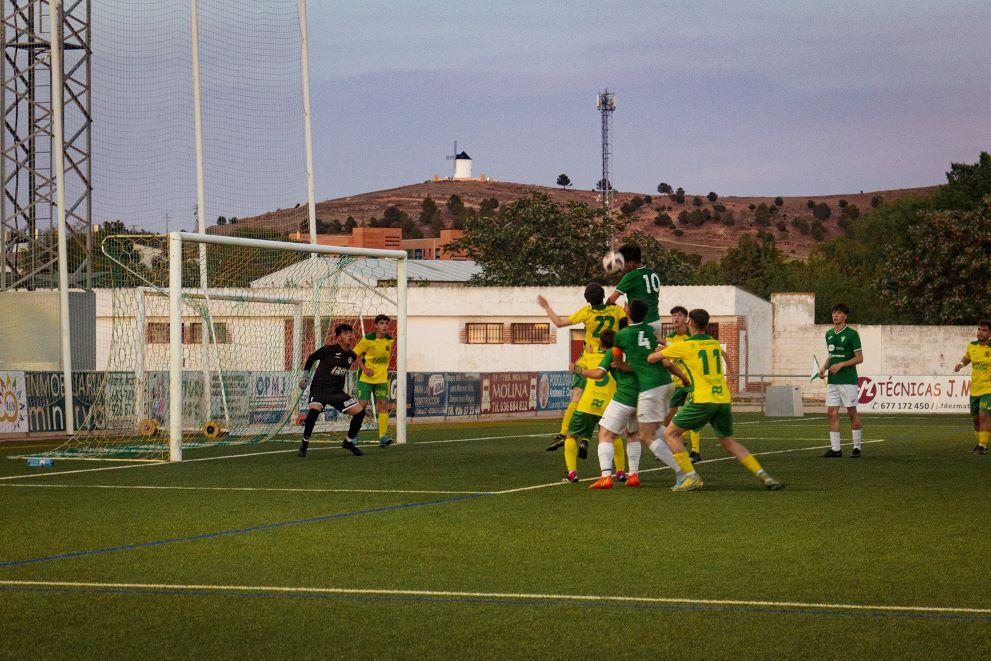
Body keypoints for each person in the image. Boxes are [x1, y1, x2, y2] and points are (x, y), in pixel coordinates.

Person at [652, 308, 782, 491]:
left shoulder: (685, 345)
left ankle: (691, 476)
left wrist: (649, 349)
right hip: (722, 398)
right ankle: (763, 475)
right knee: (728, 441)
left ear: (690, 324)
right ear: (707, 325)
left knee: (670, 433)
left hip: (703, 399)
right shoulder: (713, 343)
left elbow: (653, 358)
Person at [538, 282, 626, 451]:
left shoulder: (586, 312)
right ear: (603, 296)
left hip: (588, 359)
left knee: (578, 396)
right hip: (610, 358)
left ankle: (564, 434)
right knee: (608, 400)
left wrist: (546, 306)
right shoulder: (615, 310)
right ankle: (599, 443)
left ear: (587, 299)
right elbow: (626, 322)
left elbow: (559, 323)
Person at [610, 299, 689, 487]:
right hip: (666, 383)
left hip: (650, 387)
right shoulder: (649, 331)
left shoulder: (621, 335)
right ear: (646, 315)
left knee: (645, 436)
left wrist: (622, 365)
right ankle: (679, 449)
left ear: (627, 312)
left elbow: (618, 361)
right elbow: (662, 357)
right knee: (656, 428)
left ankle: (683, 472)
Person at [560, 330, 623, 483]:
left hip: (587, 404)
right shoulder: (619, 357)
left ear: (600, 343)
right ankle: (621, 472)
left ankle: (572, 473)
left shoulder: (589, 356)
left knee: (571, 435)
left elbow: (574, 367)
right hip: (609, 405)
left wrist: (582, 358)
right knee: (614, 437)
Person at [297, 323, 368, 458]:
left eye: (351, 333)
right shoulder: (328, 349)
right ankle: (304, 443)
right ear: (339, 337)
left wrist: (366, 369)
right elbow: (312, 357)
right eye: (346, 333)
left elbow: (354, 361)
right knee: (314, 411)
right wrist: (305, 377)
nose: (350, 335)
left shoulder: (351, 355)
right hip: (320, 389)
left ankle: (348, 442)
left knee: (359, 412)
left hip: (336, 392)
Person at [817, 303, 864, 458]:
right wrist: (824, 367)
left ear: (845, 316)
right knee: (831, 413)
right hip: (833, 381)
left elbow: (859, 358)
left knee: (851, 412)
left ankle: (857, 447)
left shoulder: (852, 334)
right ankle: (836, 449)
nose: (835, 316)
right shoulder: (829, 334)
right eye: (833, 313)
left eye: (838, 313)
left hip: (848, 380)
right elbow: (831, 356)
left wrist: (842, 364)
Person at [663, 305, 702, 462]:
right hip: (677, 383)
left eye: (679, 315)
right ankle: (673, 443)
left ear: (686, 319)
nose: (676, 318)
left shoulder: (691, 336)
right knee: (667, 417)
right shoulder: (670, 338)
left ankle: (695, 451)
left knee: (691, 415)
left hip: (692, 382)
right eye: (673, 315)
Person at [353, 314, 396, 448]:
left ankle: (382, 437)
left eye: (386, 324)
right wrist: (365, 369)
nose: (385, 326)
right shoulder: (367, 340)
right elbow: (356, 354)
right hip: (365, 378)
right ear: (376, 325)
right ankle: (353, 435)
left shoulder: (390, 340)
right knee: (362, 406)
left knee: (383, 405)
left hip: (381, 379)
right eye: (382, 323)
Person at [606, 244, 662, 338]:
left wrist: (619, 311)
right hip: (656, 321)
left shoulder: (631, 276)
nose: (622, 266)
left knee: (634, 352)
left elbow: (611, 300)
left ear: (631, 263)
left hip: (641, 324)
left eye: (624, 263)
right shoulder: (653, 274)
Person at [954, 320, 991, 455]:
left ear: (990, 333)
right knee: (975, 418)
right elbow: (967, 358)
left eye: (984, 330)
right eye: (979, 329)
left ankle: (983, 445)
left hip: (988, 389)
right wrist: (961, 364)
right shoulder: (972, 346)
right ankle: (980, 443)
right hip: (975, 389)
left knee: (983, 415)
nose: (980, 332)